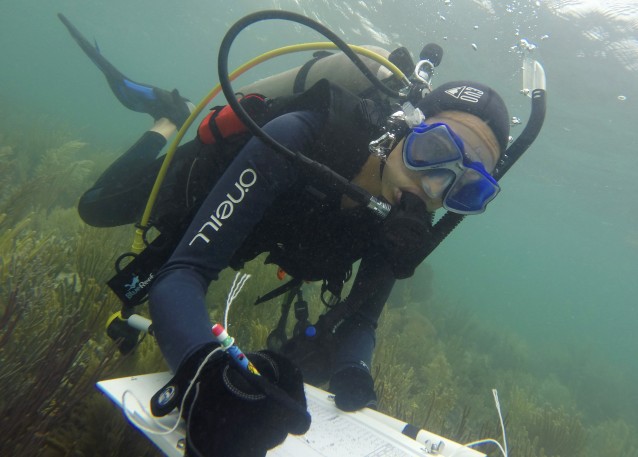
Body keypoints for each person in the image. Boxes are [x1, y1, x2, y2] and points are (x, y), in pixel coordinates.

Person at [61, 14, 510, 457]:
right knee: (96, 207)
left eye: (464, 187)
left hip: (262, 235)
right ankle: (165, 118)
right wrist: (204, 374)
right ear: (405, 129)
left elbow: (362, 319)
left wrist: (354, 374)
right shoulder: (300, 136)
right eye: (432, 150)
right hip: (207, 186)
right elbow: (184, 272)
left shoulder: (400, 220)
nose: (431, 188)